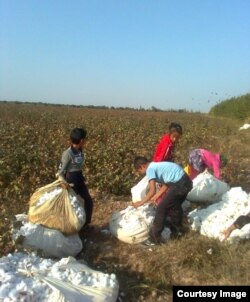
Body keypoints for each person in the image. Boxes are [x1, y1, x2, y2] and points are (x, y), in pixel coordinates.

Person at [133, 156, 193, 245]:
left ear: (142, 166)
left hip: (180, 184)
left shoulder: (150, 169)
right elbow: (166, 184)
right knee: (174, 206)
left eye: (140, 171)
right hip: (186, 183)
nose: (141, 173)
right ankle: (178, 232)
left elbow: (152, 190)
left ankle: (154, 238)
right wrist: (157, 196)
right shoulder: (157, 166)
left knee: (161, 208)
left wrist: (140, 203)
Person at [58, 127, 93, 230]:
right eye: (85, 139)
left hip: (79, 179)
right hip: (70, 181)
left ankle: (86, 224)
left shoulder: (80, 151)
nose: (86, 141)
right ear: (81, 140)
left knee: (88, 201)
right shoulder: (67, 154)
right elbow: (60, 171)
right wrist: (63, 182)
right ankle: (69, 227)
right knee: (71, 205)